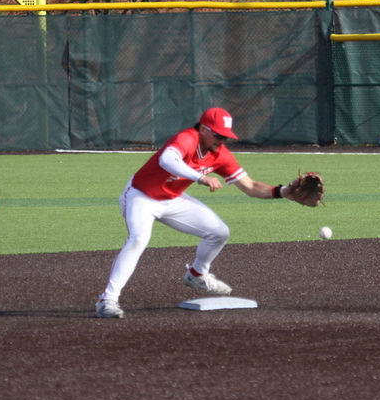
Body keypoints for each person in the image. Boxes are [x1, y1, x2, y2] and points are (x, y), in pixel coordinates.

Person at [95, 107, 304, 318]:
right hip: (140, 196)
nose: (222, 141)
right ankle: (107, 300)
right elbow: (166, 161)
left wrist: (284, 192)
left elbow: (249, 186)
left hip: (173, 199)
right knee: (138, 239)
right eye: (218, 135)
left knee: (219, 232)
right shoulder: (187, 138)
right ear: (203, 129)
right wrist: (201, 177)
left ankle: (196, 274)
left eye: (226, 137)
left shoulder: (220, 155)